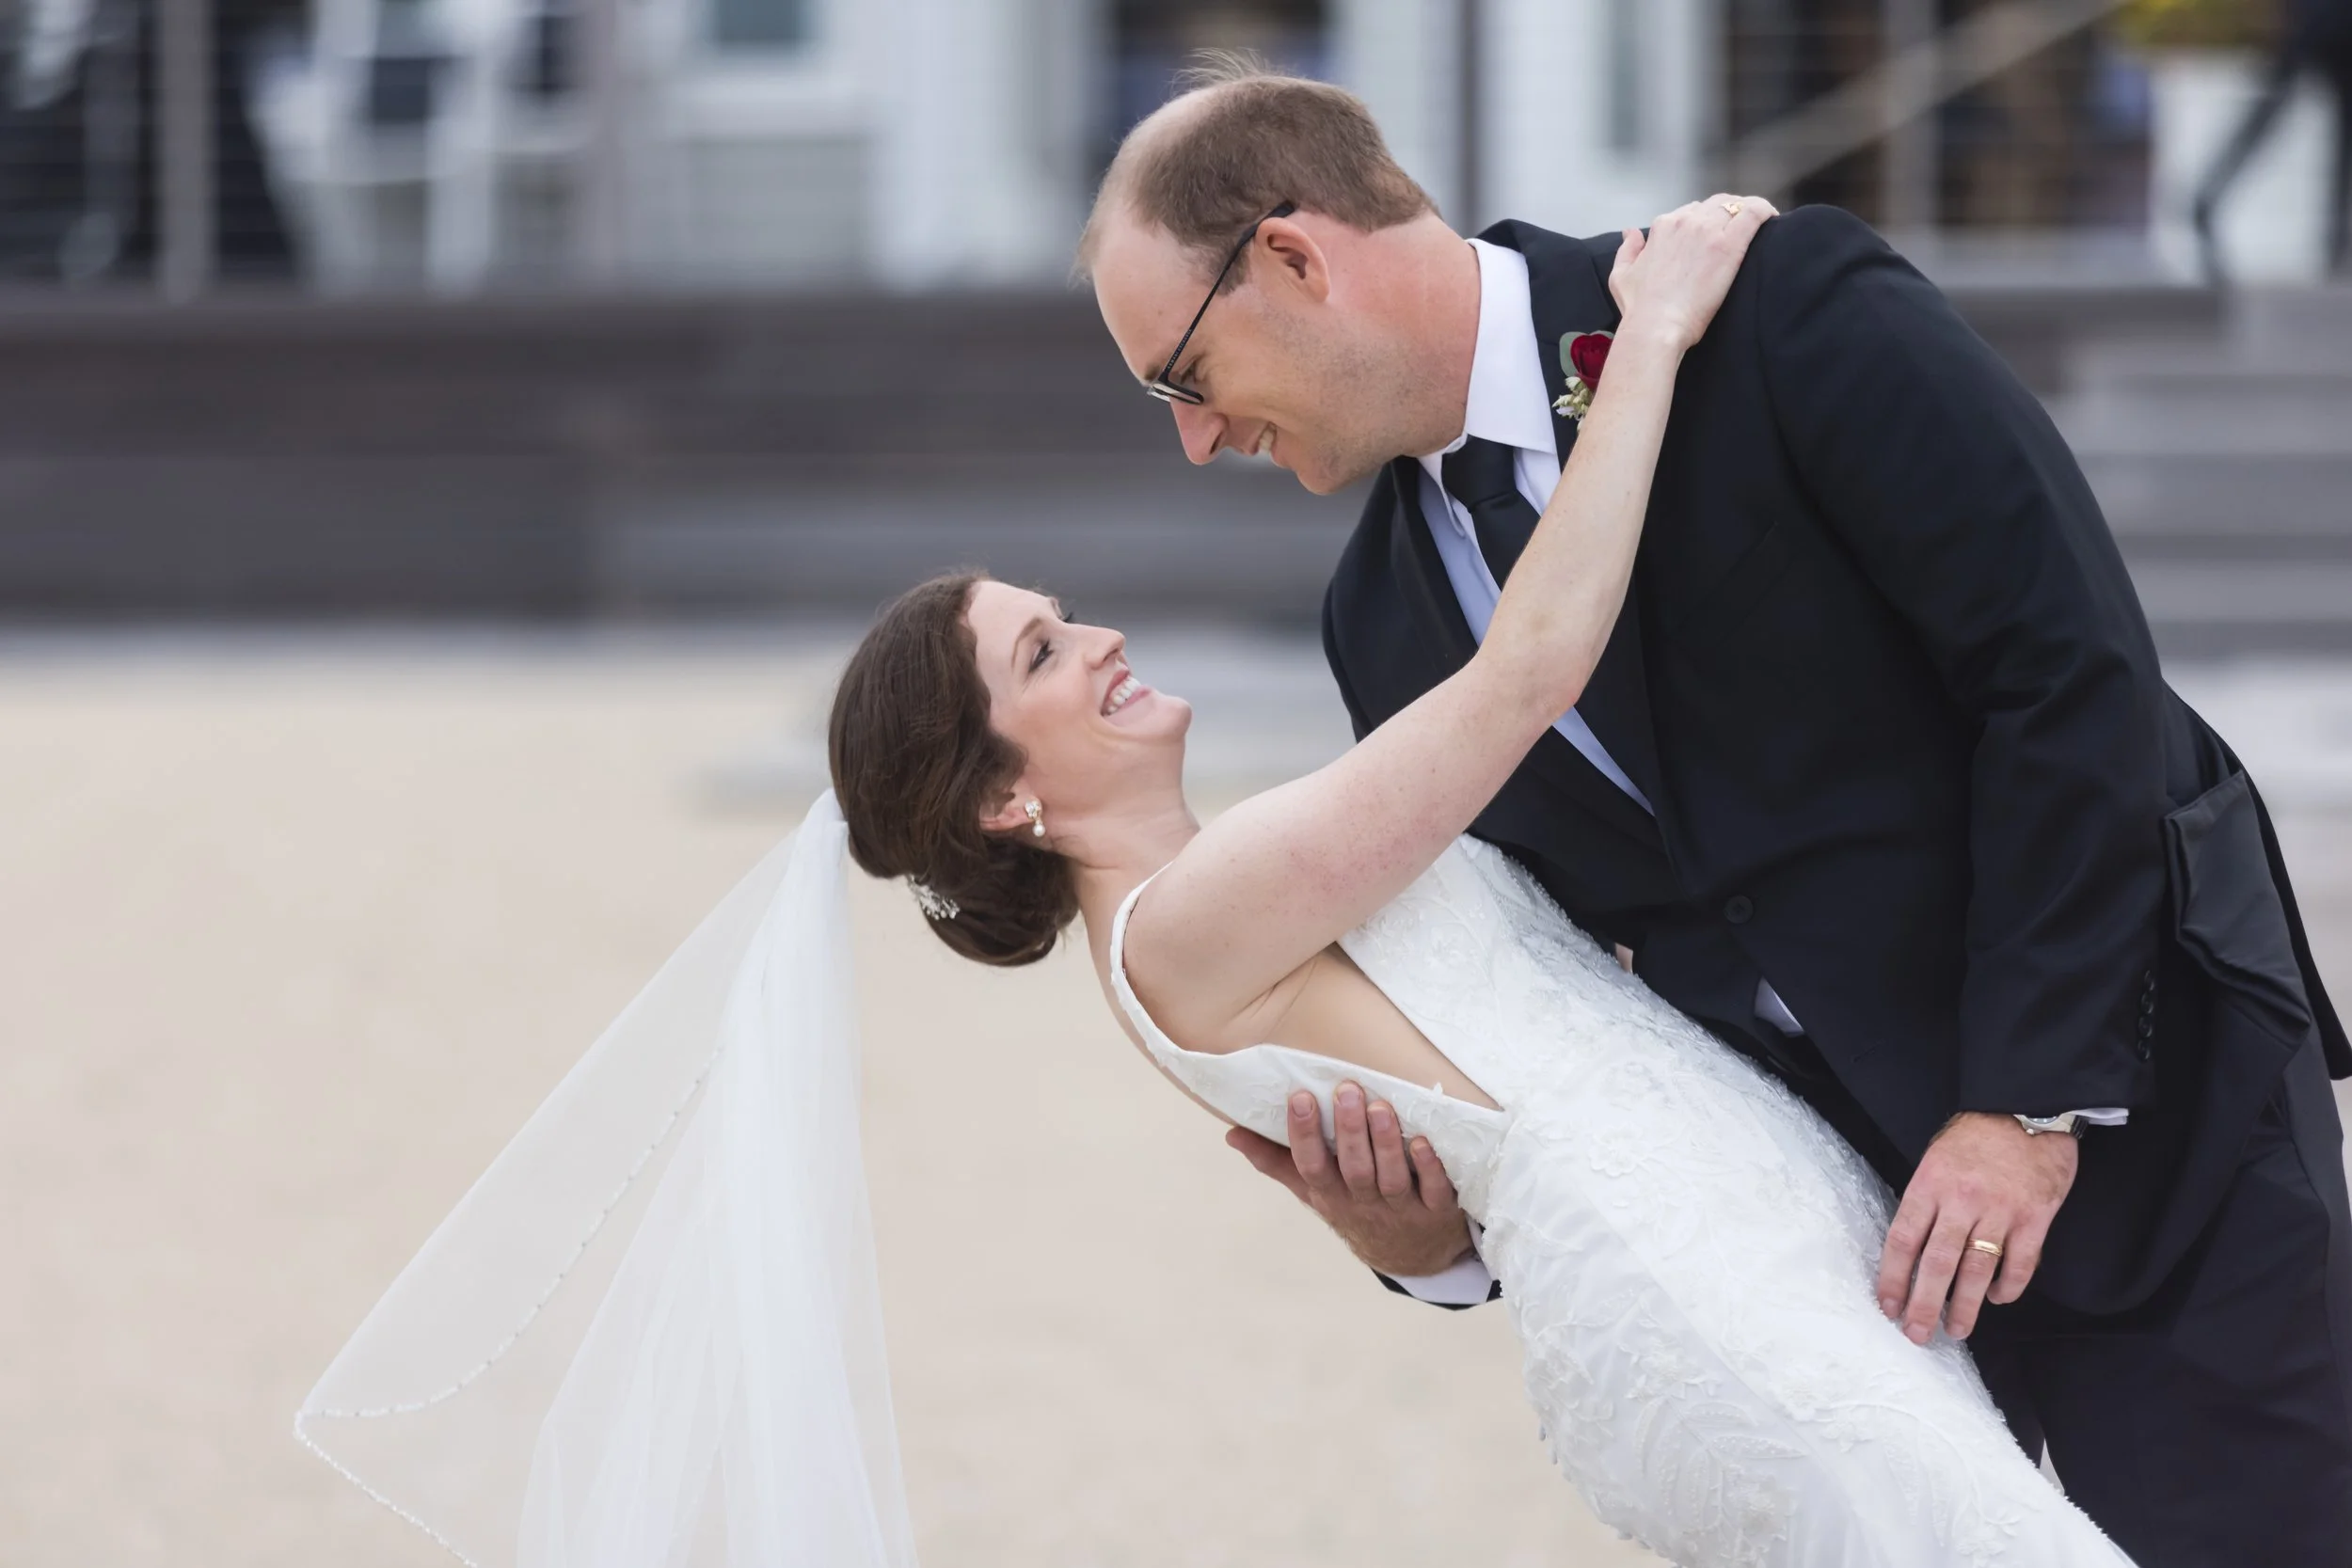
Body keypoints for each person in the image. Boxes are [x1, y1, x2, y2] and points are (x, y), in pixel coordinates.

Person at [1076, 61, 2352, 1567]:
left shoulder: (1776, 307)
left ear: (1293, 257)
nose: (1195, 439)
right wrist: (1428, 1247)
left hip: (2150, 1119)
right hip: (1851, 1285)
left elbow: (2068, 675)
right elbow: (1561, 989)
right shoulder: (1384, 624)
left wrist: (2025, 1103)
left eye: (1183, 376)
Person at [824, 190, 2134, 1562]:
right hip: (1696, 1290)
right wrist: (1654, 339)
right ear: (1000, 797)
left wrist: (1419, 1239)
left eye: (1061, 616)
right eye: (1040, 657)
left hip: (1761, 1241)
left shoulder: (1224, 890)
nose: (1096, 640)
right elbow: (1529, 671)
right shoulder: (1178, 927)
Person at [2192, 0, 2352, 283]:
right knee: (2270, 115)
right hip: (2326, 19)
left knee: (2273, 116)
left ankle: (2336, 243)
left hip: (2323, 19)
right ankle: (2205, 201)